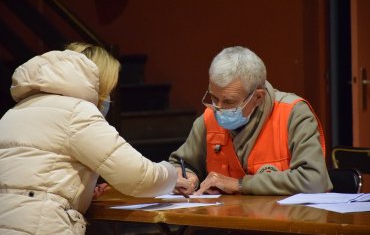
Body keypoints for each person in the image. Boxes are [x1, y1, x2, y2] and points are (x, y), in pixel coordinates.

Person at [0, 42, 177, 234]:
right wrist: (173, 174)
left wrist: (82, 191)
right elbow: (140, 178)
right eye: (109, 89)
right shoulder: (78, 112)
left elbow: (29, 178)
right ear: (96, 82)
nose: (109, 97)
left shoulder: (15, 112)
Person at [169, 46, 333, 196]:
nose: (218, 108)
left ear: (258, 97)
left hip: (283, 223)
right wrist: (186, 177)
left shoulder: (293, 113)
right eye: (213, 98)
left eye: (229, 102)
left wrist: (240, 184)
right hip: (222, 223)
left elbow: (314, 180)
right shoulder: (208, 119)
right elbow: (181, 163)